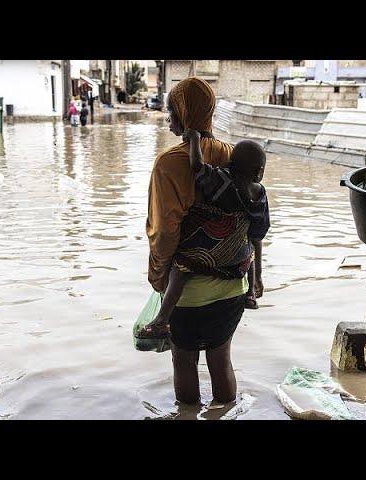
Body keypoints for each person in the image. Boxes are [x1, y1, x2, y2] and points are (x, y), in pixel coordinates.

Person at [145, 77, 262, 405]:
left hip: (187, 294)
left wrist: (158, 278)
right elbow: (251, 222)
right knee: (221, 359)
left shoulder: (169, 164)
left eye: (171, 110)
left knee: (184, 363)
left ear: (184, 112)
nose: (168, 117)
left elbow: (164, 233)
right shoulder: (233, 155)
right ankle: (225, 413)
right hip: (233, 287)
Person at [139, 130, 269, 340]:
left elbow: (197, 166)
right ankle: (251, 295)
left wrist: (195, 140)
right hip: (238, 263)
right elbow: (258, 234)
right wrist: (259, 276)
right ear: (259, 172)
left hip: (207, 254)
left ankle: (162, 319)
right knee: (251, 248)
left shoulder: (223, 180)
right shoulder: (260, 195)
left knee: (181, 268)